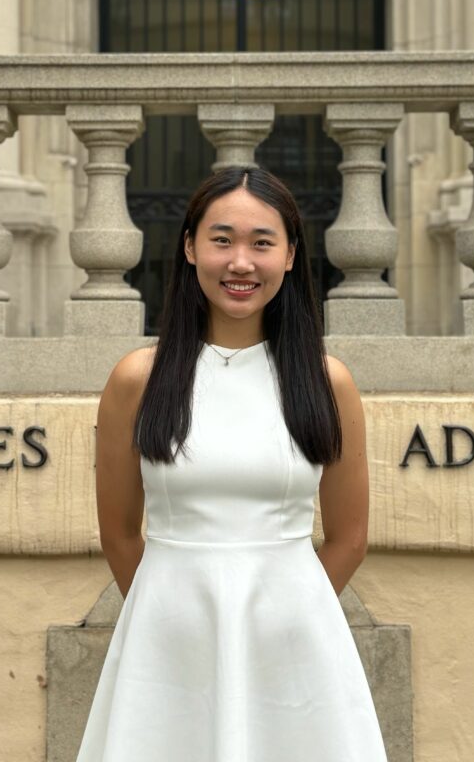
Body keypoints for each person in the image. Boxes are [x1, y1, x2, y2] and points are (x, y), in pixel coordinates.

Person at [75, 165, 388, 761]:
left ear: (290, 256)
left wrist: (286, 613)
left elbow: (350, 538)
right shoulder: (138, 379)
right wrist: (171, 609)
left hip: (295, 646)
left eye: (261, 243)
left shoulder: (327, 383)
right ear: (190, 248)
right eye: (222, 240)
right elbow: (119, 534)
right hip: (166, 646)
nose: (240, 262)